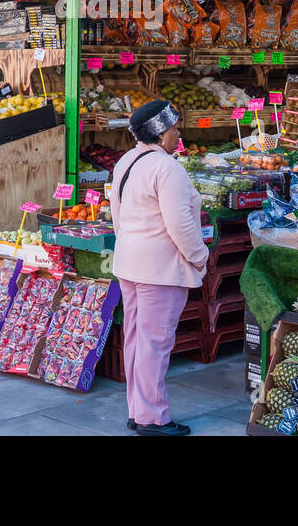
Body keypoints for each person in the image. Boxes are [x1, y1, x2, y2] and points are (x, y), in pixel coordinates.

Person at [108, 99, 209, 436]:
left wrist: (132, 245)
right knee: (155, 343)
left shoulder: (126, 161)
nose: (178, 134)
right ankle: (153, 418)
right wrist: (199, 257)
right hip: (160, 270)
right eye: (175, 128)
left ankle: (139, 411)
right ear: (162, 134)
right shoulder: (168, 169)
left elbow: (118, 216)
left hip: (129, 263)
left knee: (137, 340)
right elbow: (180, 224)